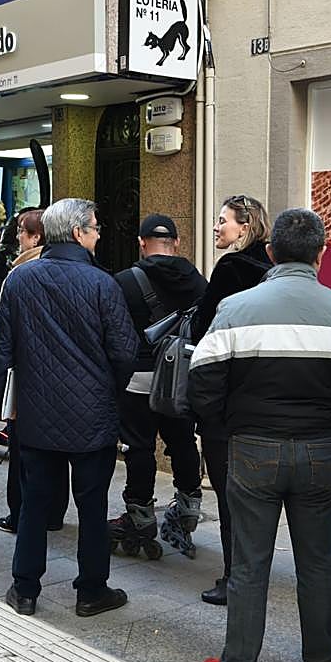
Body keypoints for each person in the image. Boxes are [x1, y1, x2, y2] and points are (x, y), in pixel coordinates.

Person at [189, 207, 331, 662]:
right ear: (321, 254)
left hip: (253, 448)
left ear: (271, 251)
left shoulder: (235, 308)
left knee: (249, 563)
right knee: (318, 562)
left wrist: (230, 426)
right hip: (319, 450)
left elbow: (202, 383)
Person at [0, 198, 137, 618]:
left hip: (36, 413)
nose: (99, 235)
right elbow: (125, 351)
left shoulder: (20, 279)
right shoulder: (102, 283)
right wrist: (109, 391)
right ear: (77, 233)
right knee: (92, 505)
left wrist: (9, 403)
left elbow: (0, 351)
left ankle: (25, 588)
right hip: (93, 414)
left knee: (34, 503)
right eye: (95, 228)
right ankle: (91, 590)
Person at [108, 214, 207, 558]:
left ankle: (140, 514)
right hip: (180, 380)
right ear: (176, 243)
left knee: (139, 447)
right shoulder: (198, 281)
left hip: (139, 378)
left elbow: (115, 333)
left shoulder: (124, 281)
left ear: (141, 242)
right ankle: (189, 507)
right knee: (183, 441)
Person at [191, 194, 273, 605]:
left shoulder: (231, 268)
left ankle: (235, 578)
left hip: (229, 402)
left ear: (245, 226)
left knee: (229, 496)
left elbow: (204, 331)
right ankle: (252, 572)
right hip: (267, 399)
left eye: (222, 220)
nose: (216, 227)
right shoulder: (274, 271)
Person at [0, 208, 67, 535]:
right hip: (64, 377)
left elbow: (3, 332)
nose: (17, 236)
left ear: (36, 237)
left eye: (21, 230)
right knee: (58, 450)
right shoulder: (78, 271)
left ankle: (20, 514)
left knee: (23, 451)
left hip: (27, 373)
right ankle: (54, 513)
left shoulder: (20, 274)